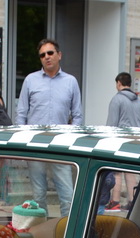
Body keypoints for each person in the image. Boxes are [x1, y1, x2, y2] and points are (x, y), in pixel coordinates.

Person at [17, 39, 82, 209]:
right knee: (38, 196)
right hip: (35, 145)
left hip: (60, 146)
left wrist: (71, 141)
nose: (47, 57)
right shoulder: (30, 80)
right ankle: (41, 233)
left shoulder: (71, 82)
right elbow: (21, 114)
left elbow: (77, 115)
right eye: (42, 55)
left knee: (67, 196)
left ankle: (66, 233)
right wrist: (21, 144)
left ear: (59, 55)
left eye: (50, 53)